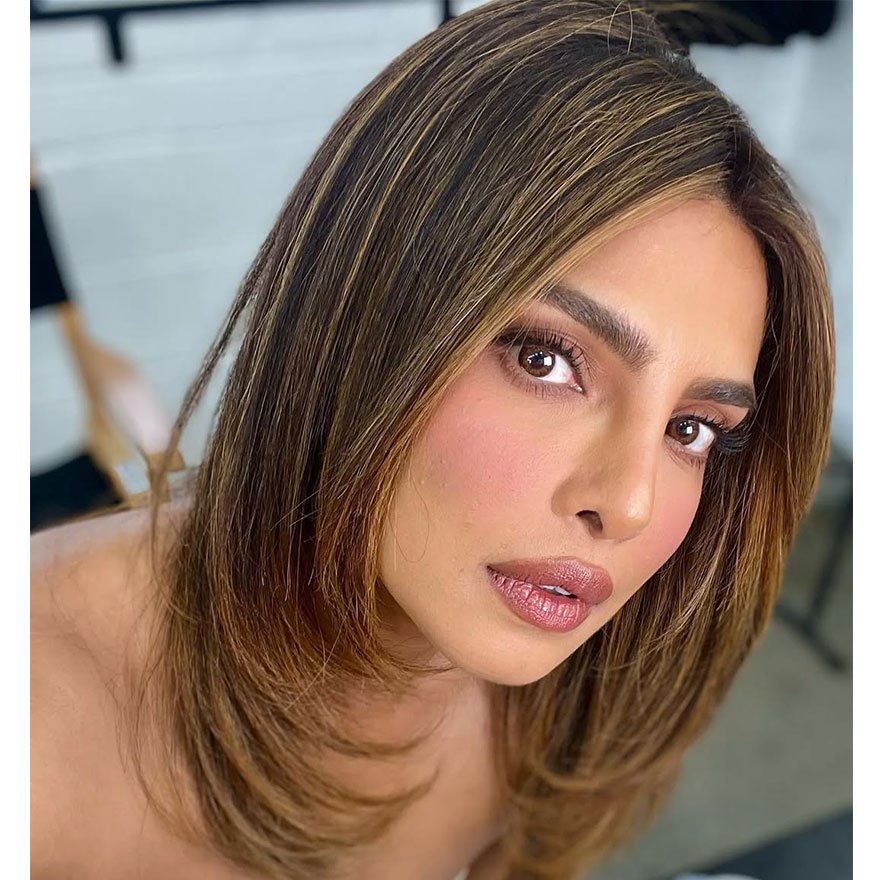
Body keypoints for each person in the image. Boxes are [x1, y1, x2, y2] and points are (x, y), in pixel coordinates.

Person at [30, 1, 836, 878]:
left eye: (691, 429)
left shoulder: (592, 684)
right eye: (545, 360)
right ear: (355, 318)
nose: (629, 504)